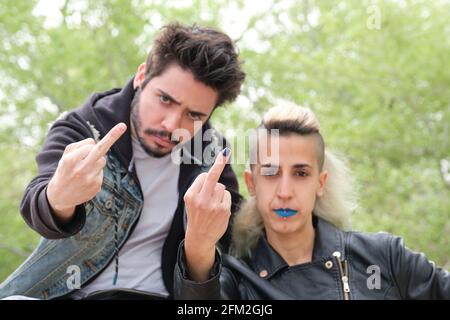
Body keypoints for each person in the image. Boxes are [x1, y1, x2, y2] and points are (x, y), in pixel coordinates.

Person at [0, 23, 245, 300]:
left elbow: (242, 240)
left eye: (194, 115)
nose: (171, 124)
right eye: (165, 99)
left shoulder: (211, 155)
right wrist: (59, 198)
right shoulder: (83, 126)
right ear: (142, 75)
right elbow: (37, 202)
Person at [174, 103, 450, 299]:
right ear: (251, 183)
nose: (285, 191)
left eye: (301, 173)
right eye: (270, 173)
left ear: (320, 183)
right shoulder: (237, 282)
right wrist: (198, 248)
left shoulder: (386, 257)